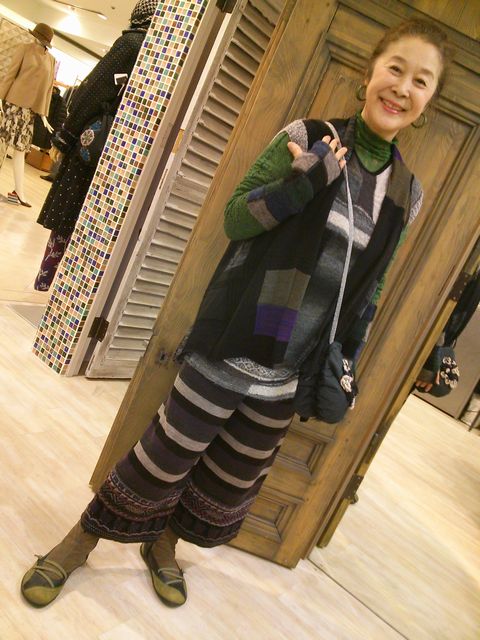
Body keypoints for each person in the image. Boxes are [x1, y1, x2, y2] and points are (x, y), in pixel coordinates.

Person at [21, 19, 453, 609]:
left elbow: (370, 287)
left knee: (228, 477)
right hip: (241, 333)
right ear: (370, 72)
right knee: (164, 455)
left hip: (296, 364)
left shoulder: (407, 191)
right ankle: (79, 542)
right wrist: (303, 184)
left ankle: (163, 545)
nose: (403, 87)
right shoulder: (309, 136)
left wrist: (347, 360)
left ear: (429, 101)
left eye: (421, 81)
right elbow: (235, 219)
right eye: (395, 69)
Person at [32, 0, 158, 291]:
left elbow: (93, 90)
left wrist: (66, 135)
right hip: (123, 150)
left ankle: (45, 281)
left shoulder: (131, 43)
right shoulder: (158, 51)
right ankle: (70, 286)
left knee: (66, 216)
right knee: (90, 224)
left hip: (92, 145)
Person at [0, 23, 56, 207]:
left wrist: (44, 114)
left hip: (29, 113)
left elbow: (48, 90)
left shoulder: (51, 60)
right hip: (13, 105)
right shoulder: (24, 49)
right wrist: (0, 97)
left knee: (20, 150)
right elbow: (11, 74)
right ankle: (19, 193)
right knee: (2, 145)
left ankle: (19, 192)